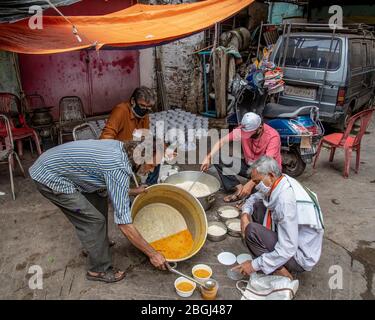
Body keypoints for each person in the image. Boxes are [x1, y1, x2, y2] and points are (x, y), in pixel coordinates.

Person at [29, 139, 166, 283]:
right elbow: (124, 224)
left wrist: (132, 191)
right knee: (94, 221)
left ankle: (96, 245)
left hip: (58, 166)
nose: (151, 170)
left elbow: (113, 182)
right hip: (49, 177)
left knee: (100, 200)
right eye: (151, 165)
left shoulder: (123, 150)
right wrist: (153, 254)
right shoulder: (117, 168)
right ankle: (98, 270)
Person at [233, 156, 324, 280]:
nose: (256, 186)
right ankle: (271, 257)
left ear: (270, 175)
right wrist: (244, 215)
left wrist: (253, 265)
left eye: (257, 182)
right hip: (292, 239)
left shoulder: (285, 202)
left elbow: (288, 249)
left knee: (251, 230)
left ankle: (279, 269)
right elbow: (253, 198)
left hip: (299, 256)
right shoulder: (281, 181)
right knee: (257, 205)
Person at [201, 112, 282, 203]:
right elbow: (222, 141)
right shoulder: (242, 129)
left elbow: (267, 165)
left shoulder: (273, 136)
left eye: (249, 133)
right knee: (216, 157)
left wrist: (251, 183)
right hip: (250, 166)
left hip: (267, 172)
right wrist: (208, 157)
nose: (246, 135)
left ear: (260, 128)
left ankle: (248, 191)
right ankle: (238, 188)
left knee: (256, 198)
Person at [100, 86, 160, 185]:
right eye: (142, 106)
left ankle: (150, 186)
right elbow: (105, 140)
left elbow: (144, 137)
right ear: (133, 101)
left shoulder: (144, 116)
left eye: (148, 107)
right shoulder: (121, 111)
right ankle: (127, 184)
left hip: (134, 151)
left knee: (158, 149)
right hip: (119, 153)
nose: (145, 110)